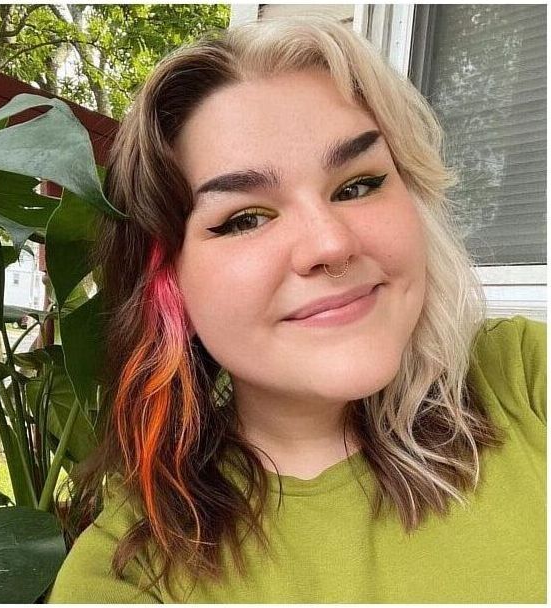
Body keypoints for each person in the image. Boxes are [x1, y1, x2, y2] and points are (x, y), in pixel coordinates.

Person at [46, 16, 546, 604]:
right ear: (168, 283)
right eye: (245, 219)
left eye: (357, 185)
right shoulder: (131, 577)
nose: (330, 244)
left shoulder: (522, 378)